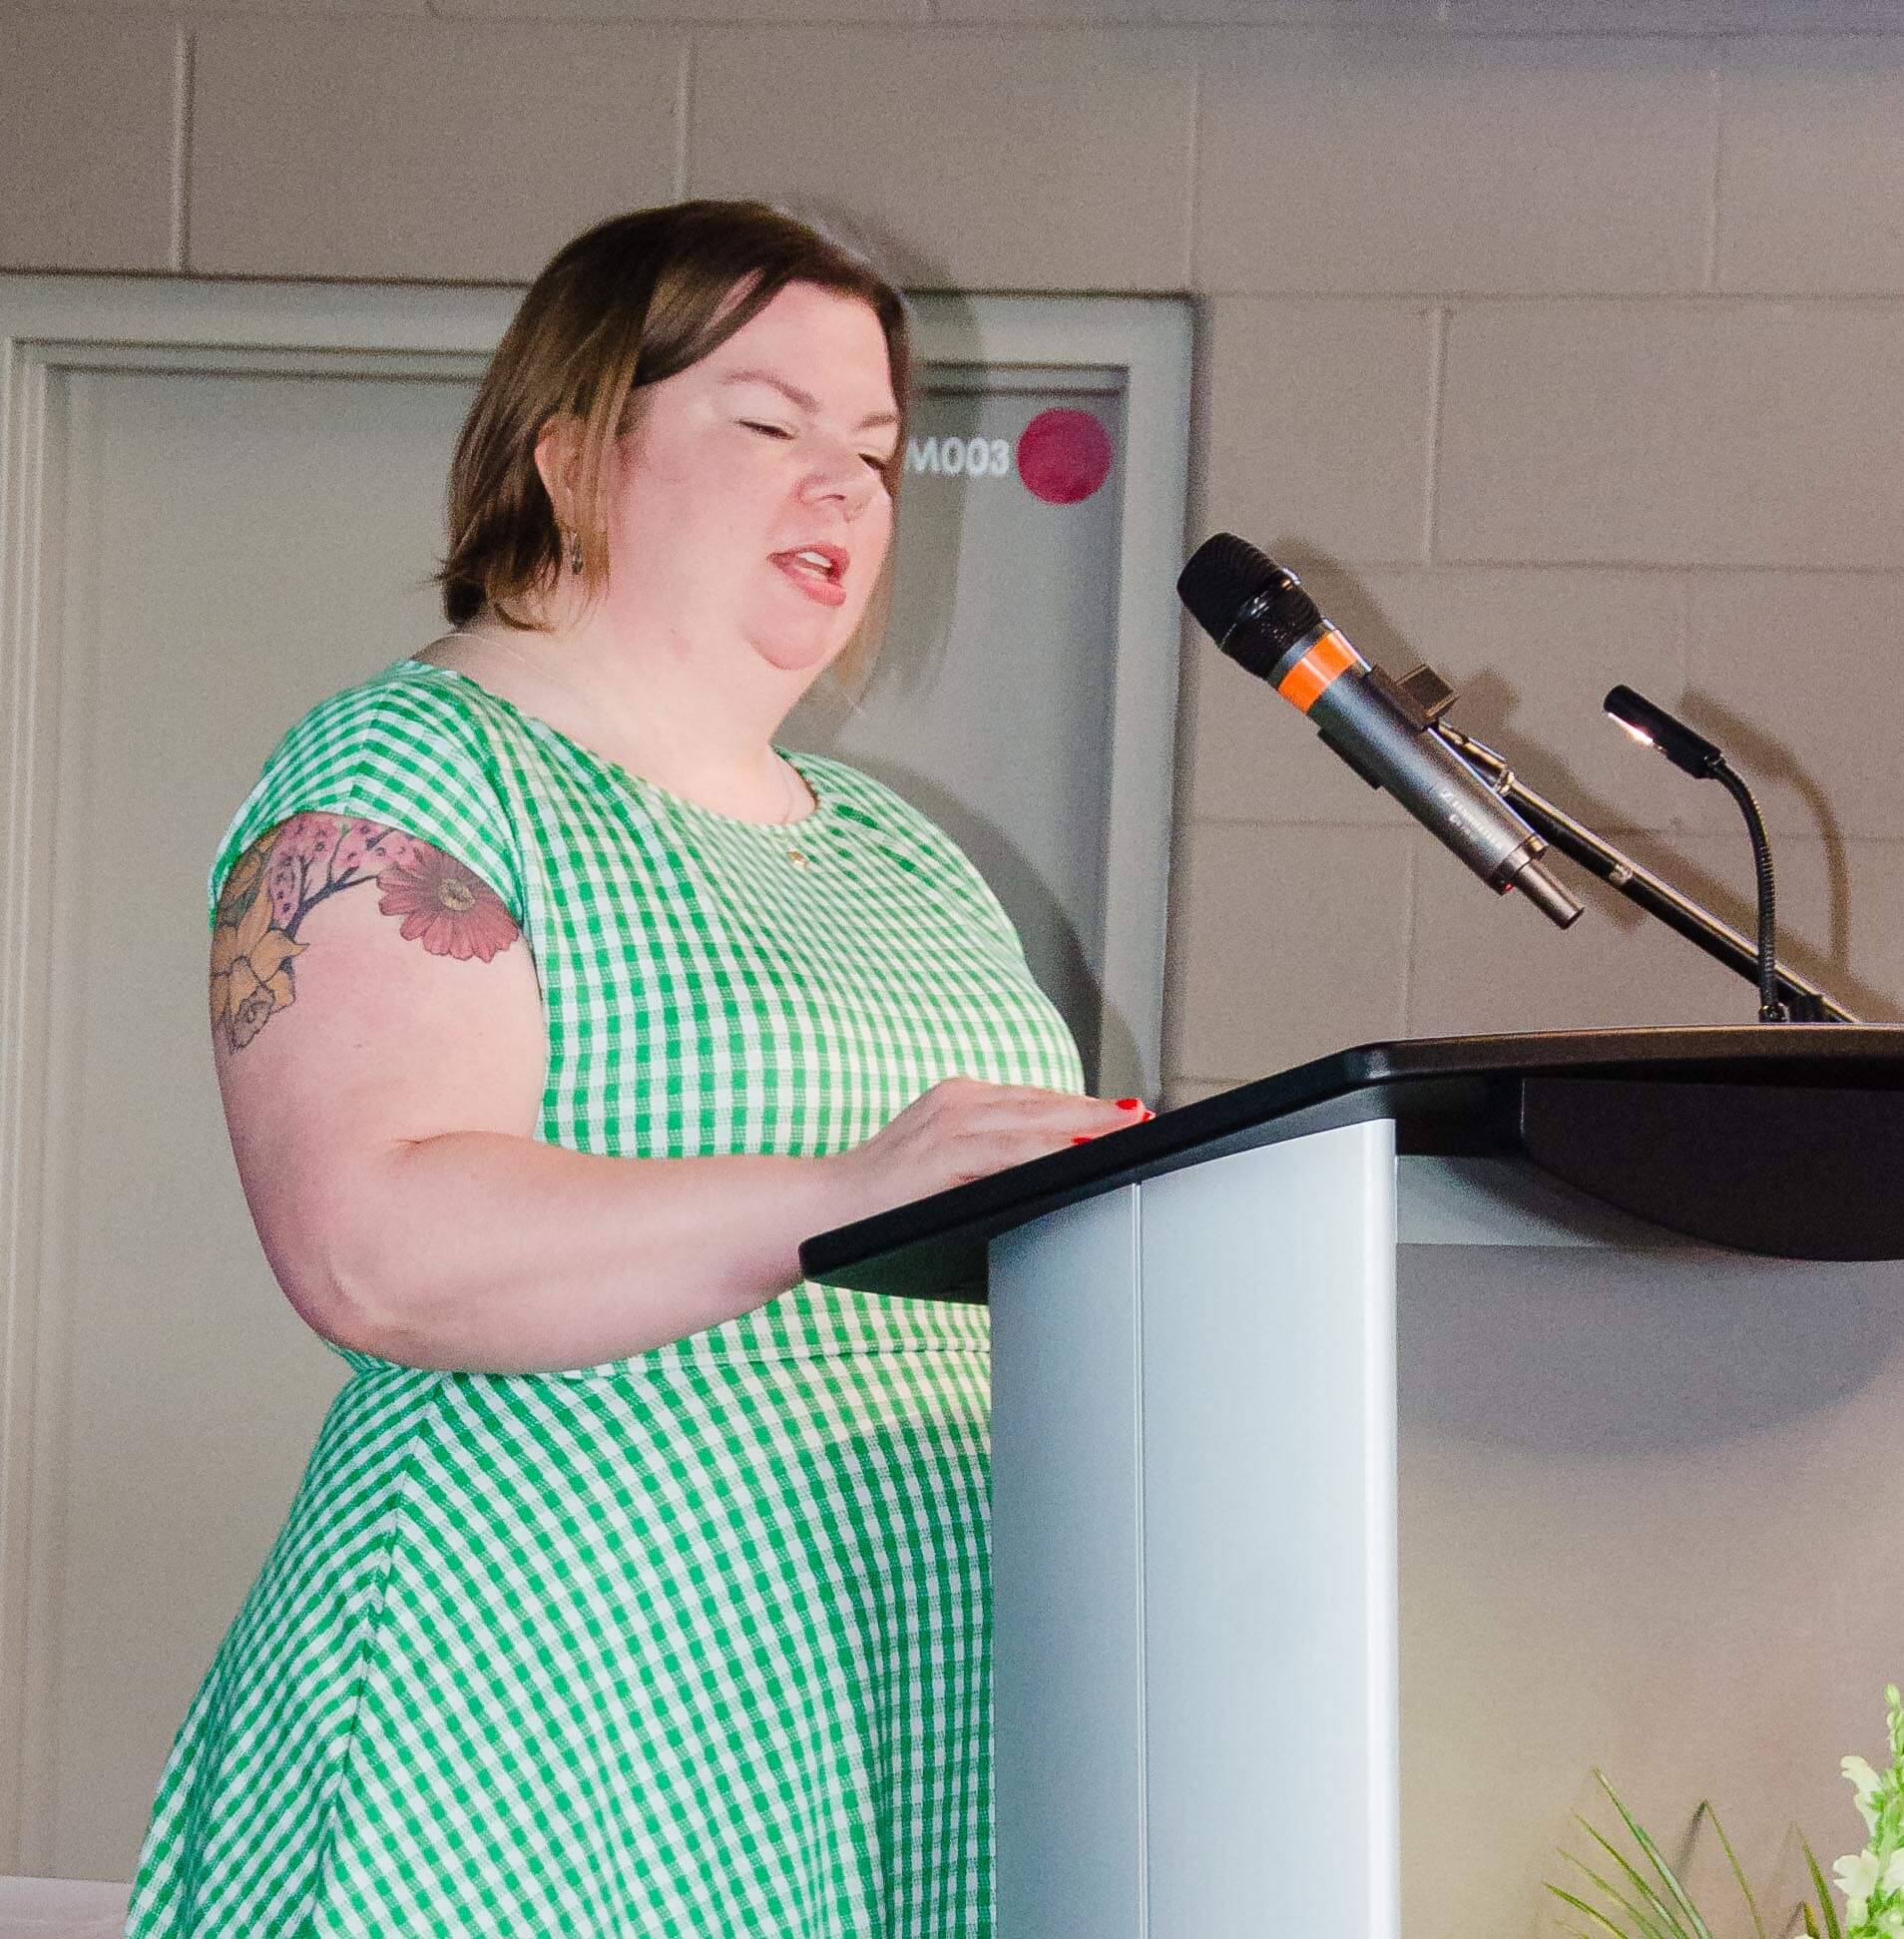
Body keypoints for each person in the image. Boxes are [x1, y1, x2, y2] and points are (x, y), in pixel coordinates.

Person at [124, 199, 1153, 1937]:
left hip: (881, 1704)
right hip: (553, 1706)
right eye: (767, 424)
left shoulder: (900, 850)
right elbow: (372, 1243)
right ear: (575, 457)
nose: (843, 490)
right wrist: (840, 1199)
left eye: (880, 454)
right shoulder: (415, 768)